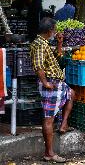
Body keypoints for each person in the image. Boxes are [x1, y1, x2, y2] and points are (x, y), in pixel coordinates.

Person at [30, 17, 75, 163]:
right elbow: (38, 66)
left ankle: (64, 124)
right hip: (51, 83)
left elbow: (54, 60)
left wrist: (60, 43)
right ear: (49, 30)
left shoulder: (44, 43)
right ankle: (49, 153)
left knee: (71, 93)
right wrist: (45, 83)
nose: (55, 32)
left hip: (57, 82)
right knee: (48, 119)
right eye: (54, 30)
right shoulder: (39, 45)